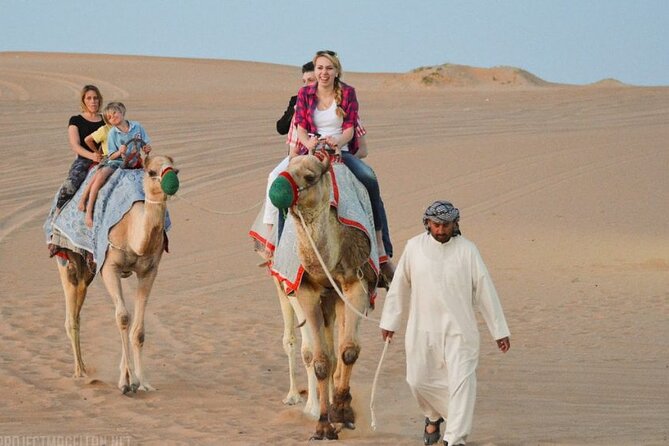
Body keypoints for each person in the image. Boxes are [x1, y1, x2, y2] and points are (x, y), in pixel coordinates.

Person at [379, 200, 511, 446]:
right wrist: (390, 321)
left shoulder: (468, 250)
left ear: (455, 224)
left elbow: (485, 290)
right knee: (417, 380)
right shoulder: (414, 247)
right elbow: (398, 286)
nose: (441, 230)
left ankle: (454, 439)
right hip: (422, 330)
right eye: (436, 224)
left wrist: (499, 330)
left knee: (462, 384)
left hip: (460, 332)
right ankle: (432, 415)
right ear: (427, 224)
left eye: (446, 225)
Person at [294, 50, 395, 280]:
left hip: (341, 151)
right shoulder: (305, 94)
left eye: (329, 68)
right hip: (311, 152)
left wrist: (337, 141)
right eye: (320, 68)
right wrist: (308, 141)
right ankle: (279, 247)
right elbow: (300, 125)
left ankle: (381, 249)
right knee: (284, 184)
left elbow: (349, 128)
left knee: (369, 179)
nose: (323, 73)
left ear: (336, 70)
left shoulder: (347, 93)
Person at [78, 102, 152, 227]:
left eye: (115, 113)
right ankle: (89, 211)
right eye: (110, 117)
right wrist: (119, 152)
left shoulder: (137, 126)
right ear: (109, 122)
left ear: (121, 112)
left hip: (134, 161)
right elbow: (111, 155)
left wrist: (146, 148)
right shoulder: (112, 133)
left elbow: (146, 144)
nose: (113, 117)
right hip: (117, 162)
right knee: (101, 176)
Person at [54, 85, 105, 211]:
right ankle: (58, 213)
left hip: (106, 159)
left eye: (95, 98)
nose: (93, 101)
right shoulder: (76, 120)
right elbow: (75, 145)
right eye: (89, 98)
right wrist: (92, 156)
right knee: (70, 185)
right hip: (85, 160)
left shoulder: (106, 119)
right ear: (84, 101)